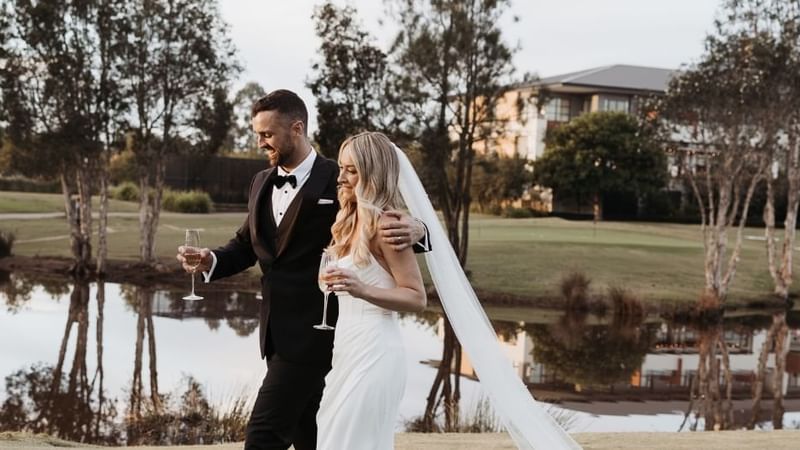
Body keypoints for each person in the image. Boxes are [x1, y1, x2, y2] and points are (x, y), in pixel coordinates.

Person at [175, 90, 428, 450]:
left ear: (296, 128)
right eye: (257, 134)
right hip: (277, 336)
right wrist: (209, 260)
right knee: (315, 438)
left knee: (262, 437)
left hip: (319, 336)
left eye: (267, 134)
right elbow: (248, 244)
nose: (261, 142)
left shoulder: (338, 177)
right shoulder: (261, 182)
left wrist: (419, 229)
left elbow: (384, 215)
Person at [315, 132, 426, 449]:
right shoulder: (348, 221)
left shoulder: (387, 224)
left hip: (376, 352)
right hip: (347, 348)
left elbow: (416, 297)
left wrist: (362, 289)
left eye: (351, 169)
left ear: (372, 171)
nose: (341, 177)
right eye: (341, 168)